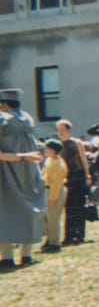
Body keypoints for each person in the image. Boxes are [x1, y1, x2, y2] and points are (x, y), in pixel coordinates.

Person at [0, 88, 45, 269]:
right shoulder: (27, 120)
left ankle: (8, 258)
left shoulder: (3, 120)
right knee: (30, 211)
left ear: (3, 104)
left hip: (6, 175)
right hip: (31, 173)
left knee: (5, 214)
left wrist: (22, 156)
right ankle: (26, 255)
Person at [56, 119, 93, 246]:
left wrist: (88, 175)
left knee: (79, 207)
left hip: (78, 177)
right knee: (69, 208)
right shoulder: (58, 145)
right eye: (58, 130)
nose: (60, 132)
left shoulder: (77, 143)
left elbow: (83, 160)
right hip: (66, 179)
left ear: (68, 130)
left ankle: (79, 235)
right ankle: (69, 235)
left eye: (62, 130)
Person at [39, 138, 68, 254]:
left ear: (53, 150)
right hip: (47, 190)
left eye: (47, 148)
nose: (45, 150)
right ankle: (49, 239)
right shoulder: (49, 161)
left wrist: (52, 198)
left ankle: (55, 242)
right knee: (47, 218)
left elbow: (57, 183)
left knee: (53, 218)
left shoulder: (58, 164)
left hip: (54, 192)